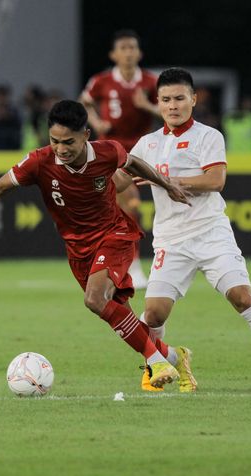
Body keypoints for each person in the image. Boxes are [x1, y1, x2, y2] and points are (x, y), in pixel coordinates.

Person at [0, 100, 195, 390]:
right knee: (116, 315)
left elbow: (133, 163)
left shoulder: (107, 152)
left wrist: (167, 184)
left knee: (95, 300)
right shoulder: (39, 161)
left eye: (68, 141)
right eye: (55, 141)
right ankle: (174, 356)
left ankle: (155, 362)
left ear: (85, 134)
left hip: (115, 235)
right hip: (78, 251)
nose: (61, 149)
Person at [128, 68, 251, 393]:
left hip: (212, 234)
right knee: (153, 313)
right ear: (157, 103)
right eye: (167, 100)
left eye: (180, 98)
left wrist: (171, 181)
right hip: (171, 241)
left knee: (242, 297)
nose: (173, 106)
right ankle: (158, 363)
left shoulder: (208, 136)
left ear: (194, 99)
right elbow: (122, 174)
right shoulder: (147, 144)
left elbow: (216, 180)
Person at [80, 29, 160, 289]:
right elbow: (85, 102)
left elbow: (170, 110)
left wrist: (146, 105)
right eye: (123, 48)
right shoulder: (102, 81)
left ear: (139, 53)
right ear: (114, 54)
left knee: (127, 207)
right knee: (127, 205)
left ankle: (127, 264)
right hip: (111, 149)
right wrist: (96, 122)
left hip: (142, 149)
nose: (128, 52)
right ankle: (131, 265)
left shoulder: (149, 82)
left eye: (132, 48)